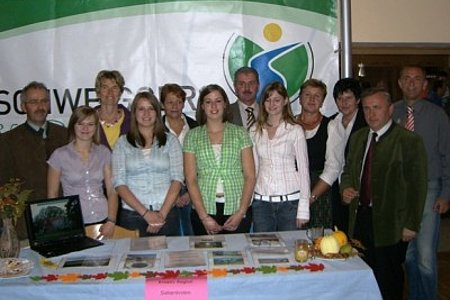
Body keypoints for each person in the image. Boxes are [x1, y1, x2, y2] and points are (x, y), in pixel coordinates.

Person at [341, 87, 427, 300]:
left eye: (377, 108)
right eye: (367, 109)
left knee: (388, 279)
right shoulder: (359, 137)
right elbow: (348, 171)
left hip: (392, 224)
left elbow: (417, 186)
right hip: (360, 219)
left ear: (390, 110)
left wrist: (411, 224)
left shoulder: (408, 141)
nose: (371, 114)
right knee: (361, 275)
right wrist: (346, 188)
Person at [393, 65, 450, 300]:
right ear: (399, 83)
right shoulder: (390, 111)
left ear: (425, 84)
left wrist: (446, 193)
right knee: (407, 255)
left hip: (429, 188)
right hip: (400, 191)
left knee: (425, 256)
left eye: (417, 79)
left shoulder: (438, 116)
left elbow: (447, 154)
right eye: (406, 78)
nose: (412, 83)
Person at [184, 84, 255, 235]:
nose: (213, 106)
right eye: (208, 102)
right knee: (206, 256)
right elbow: (190, 179)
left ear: (225, 104)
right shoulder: (193, 136)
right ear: (202, 106)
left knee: (238, 256)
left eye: (218, 101)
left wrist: (241, 212)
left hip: (237, 208)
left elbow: (250, 176)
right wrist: (204, 217)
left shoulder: (240, 133)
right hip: (204, 210)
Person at [0, 81, 67, 239]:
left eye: (44, 101)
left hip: (64, 219)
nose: (40, 106)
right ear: (23, 107)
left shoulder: (65, 135)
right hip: (25, 225)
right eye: (33, 102)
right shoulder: (7, 141)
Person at [112, 91, 183, 237]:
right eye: (141, 109)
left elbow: (177, 179)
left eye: (151, 108)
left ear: (157, 113)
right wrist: (146, 214)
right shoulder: (122, 143)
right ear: (134, 113)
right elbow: (119, 183)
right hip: (133, 216)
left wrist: (161, 215)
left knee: (169, 259)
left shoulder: (171, 141)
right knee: (135, 260)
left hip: (167, 215)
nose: (146, 113)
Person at [47, 106, 118, 238]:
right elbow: (53, 194)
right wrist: (60, 226)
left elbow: (112, 191)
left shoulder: (104, 152)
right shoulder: (59, 155)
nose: (85, 128)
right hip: (73, 222)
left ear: (96, 127)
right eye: (81, 124)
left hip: (103, 220)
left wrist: (111, 220)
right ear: (73, 126)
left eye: (90, 124)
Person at [250, 81, 310, 231]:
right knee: (263, 250)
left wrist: (304, 209)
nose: (272, 104)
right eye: (268, 100)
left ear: (285, 101)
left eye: (277, 100)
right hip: (261, 203)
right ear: (263, 103)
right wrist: (249, 200)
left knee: (291, 250)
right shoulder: (254, 130)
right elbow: (254, 168)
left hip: (290, 203)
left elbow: (303, 170)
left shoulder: (295, 130)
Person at [310, 78, 367, 234]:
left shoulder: (367, 122)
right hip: (336, 189)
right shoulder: (333, 122)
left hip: (359, 189)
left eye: (348, 98)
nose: (344, 102)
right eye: (339, 98)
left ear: (358, 99)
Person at [160, 83, 198, 236]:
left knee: (192, 235)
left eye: (179, 102)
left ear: (184, 103)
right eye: (170, 102)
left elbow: (201, 161)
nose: (175, 106)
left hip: (192, 187)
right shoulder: (155, 128)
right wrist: (173, 193)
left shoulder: (195, 127)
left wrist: (190, 192)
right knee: (170, 236)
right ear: (163, 104)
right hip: (165, 190)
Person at [296, 79, 331, 228]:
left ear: (323, 101)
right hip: (293, 190)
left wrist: (310, 198)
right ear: (300, 99)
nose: (312, 99)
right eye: (307, 94)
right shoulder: (288, 124)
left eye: (317, 96)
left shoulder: (331, 126)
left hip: (320, 191)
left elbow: (333, 167)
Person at [94, 70, 131, 150]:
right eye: (105, 87)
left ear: (120, 92)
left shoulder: (132, 121)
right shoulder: (87, 120)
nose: (110, 92)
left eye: (114, 88)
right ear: (98, 93)